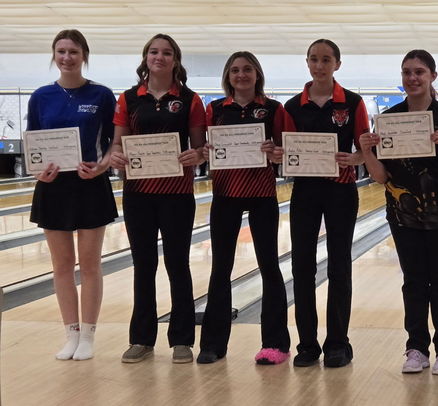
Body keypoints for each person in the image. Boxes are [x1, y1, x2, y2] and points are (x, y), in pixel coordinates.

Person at [360, 50, 438, 375]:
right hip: (403, 214)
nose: (412, 78)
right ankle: (416, 348)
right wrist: (367, 151)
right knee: (414, 280)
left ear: (432, 76)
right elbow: (381, 177)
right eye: (407, 72)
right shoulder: (390, 119)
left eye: (419, 72)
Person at [109, 33, 206, 364]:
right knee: (144, 265)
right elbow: (117, 145)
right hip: (138, 195)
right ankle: (141, 339)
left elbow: (201, 148)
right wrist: (116, 157)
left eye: (166, 53)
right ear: (146, 57)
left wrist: (198, 156)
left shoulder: (190, 100)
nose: (159, 57)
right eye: (154, 51)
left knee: (178, 264)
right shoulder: (127, 99)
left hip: (178, 195)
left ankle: (181, 340)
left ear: (175, 60)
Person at [274, 39, 369, 368]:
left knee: (339, 266)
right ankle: (307, 344)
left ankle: (338, 343)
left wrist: (355, 157)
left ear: (337, 64)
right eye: (314, 59)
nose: (319, 65)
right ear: (307, 63)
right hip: (305, 193)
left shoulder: (353, 103)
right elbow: (284, 152)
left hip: (342, 190)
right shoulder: (291, 106)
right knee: (302, 267)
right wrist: (278, 156)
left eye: (326, 59)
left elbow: (364, 151)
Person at [27, 29, 117, 361]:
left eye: (73, 52)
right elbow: (34, 144)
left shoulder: (102, 95)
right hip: (53, 187)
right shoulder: (40, 97)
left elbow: (113, 143)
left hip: (90, 184)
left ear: (84, 56)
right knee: (62, 265)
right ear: (55, 55)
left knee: (90, 264)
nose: (67, 57)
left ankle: (89, 335)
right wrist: (39, 171)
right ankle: (71, 334)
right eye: (61, 51)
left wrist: (102, 167)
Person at [196, 51, 290, 365]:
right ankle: (212, 344)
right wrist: (207, 151)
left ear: (257, 74)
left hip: (262, 194)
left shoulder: (273, 109)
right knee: (220, 268)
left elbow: (284, 151)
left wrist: (275, 152)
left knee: (269, 267)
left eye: (247, 69)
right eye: (235, 70)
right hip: (226, 194)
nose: (241, 75)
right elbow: (206, 152)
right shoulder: (216, 109)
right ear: (228, 76)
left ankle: (275, 344)